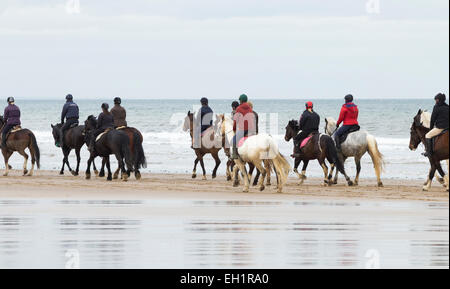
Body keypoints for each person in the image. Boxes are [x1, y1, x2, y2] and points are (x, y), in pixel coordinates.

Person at [423, 93, 449, 157]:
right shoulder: (447, 106)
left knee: (428, 135)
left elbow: (432, 119)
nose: (435, 101)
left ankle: (429, 152)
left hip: (440, 128)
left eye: (436, 100)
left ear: (439, 100)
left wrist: (430, 129)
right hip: (448, 127)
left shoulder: (436, 107)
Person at [231, 94, 255, 159]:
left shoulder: (238, 108)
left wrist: (234, 128)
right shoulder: (250, 108)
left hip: (243, 130)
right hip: (251, 130)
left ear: (241, 101)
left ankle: (234, 155)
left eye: (240, 100)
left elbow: (236, 120)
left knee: (233, 140)